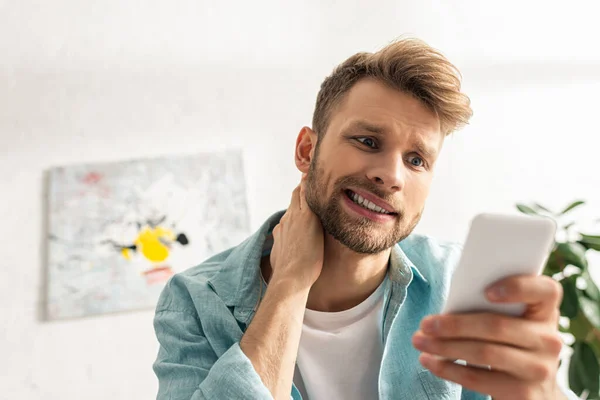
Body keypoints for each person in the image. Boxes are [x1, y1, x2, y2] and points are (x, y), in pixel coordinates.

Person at [152, 38, 577, 400]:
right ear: (306, 150)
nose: (391, 176)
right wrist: (289, 285)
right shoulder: (194, 300)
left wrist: (544, 393)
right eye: (368, 140)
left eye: (416, 159)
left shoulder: (458, 283)